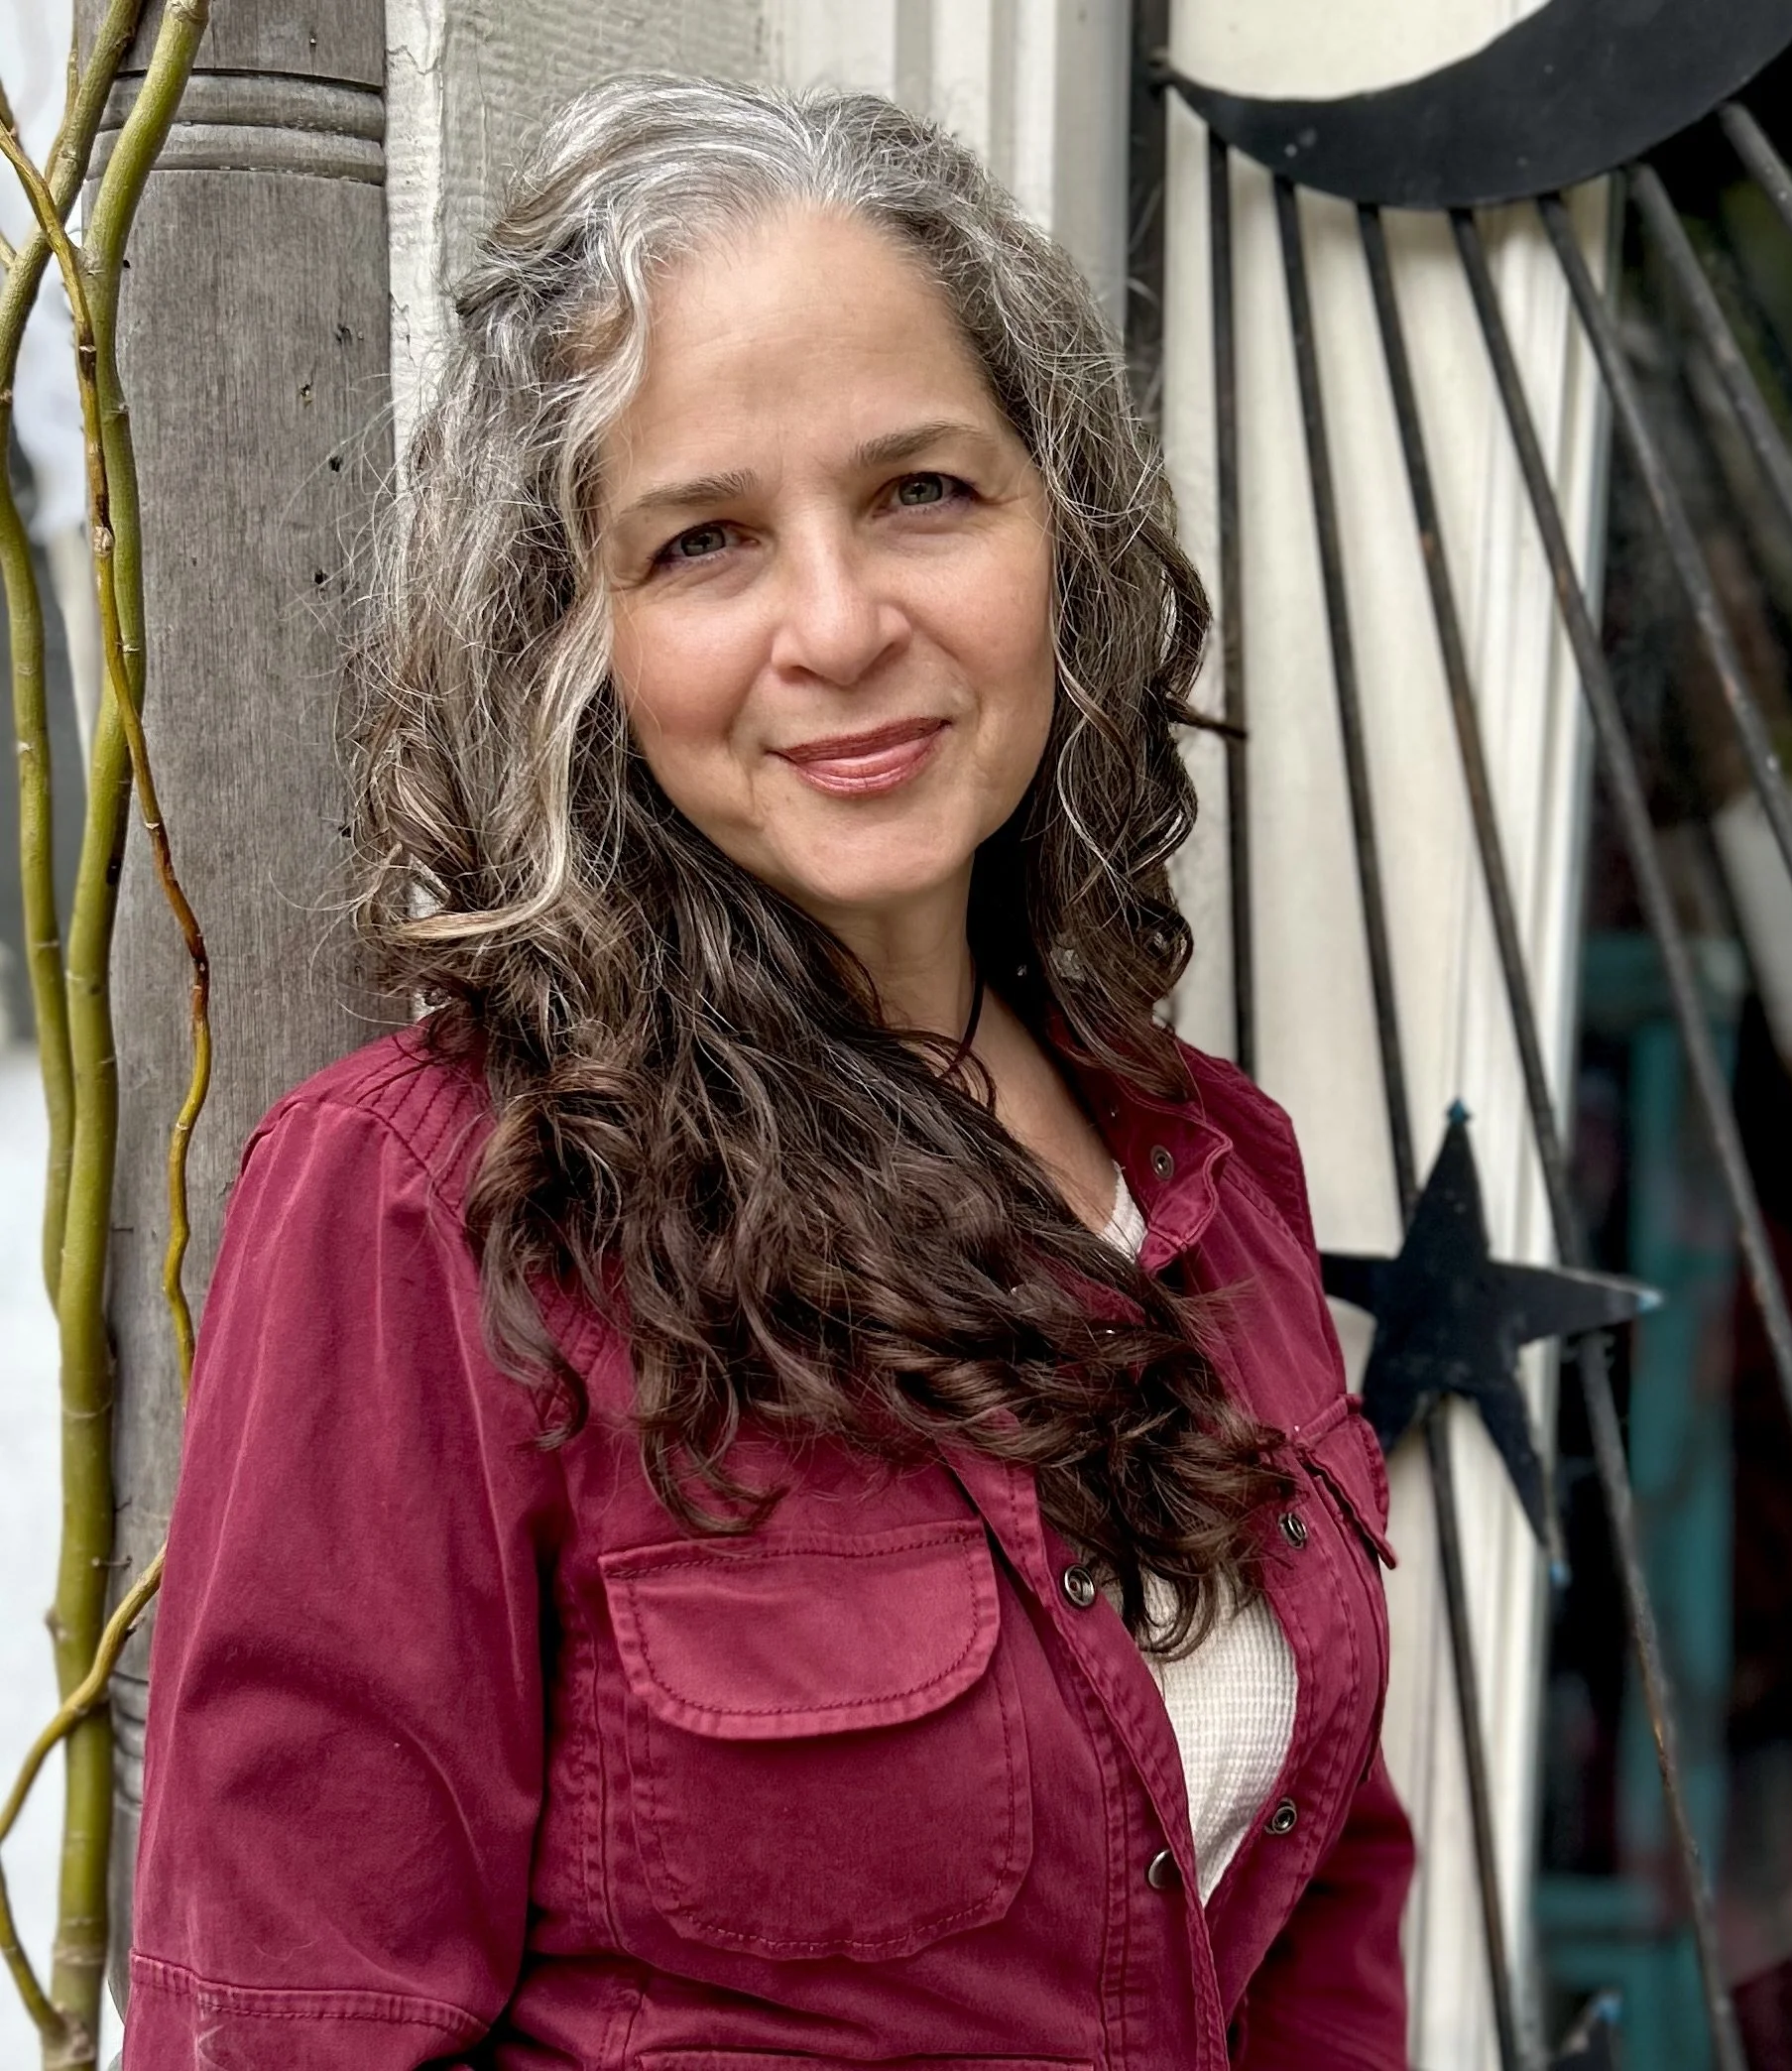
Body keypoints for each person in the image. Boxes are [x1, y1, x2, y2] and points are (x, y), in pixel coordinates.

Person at [123, 75, 1412, 2071]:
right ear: (571, 635)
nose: (839, 624)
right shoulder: (435, 1213)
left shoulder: (1205, 1167)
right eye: (705, 541)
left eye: (922, 492)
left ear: (1061, 532)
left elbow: (1319, 1926)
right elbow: (302, 2021)